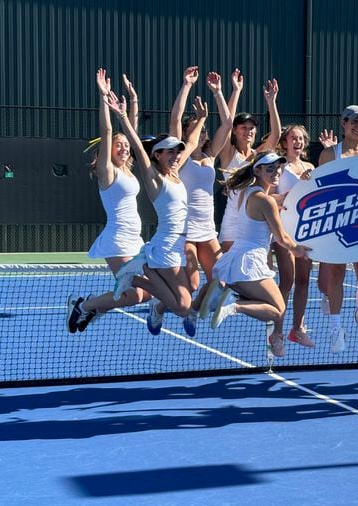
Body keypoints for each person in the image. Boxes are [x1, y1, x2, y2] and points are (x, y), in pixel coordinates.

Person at [106, 85, 207, 335]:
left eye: (177, 151)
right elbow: (138, 149)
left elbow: (192, 141)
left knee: (190, 291)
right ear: (157, 155)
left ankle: (141, 270)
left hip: (178, 246)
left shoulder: (175, 172)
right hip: (165, 247)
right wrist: (122, 115)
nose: (175, 155)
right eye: (170, 152)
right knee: (184, 306)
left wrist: (202, 118)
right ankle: (140, 274)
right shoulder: (155, 179)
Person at [66, 68, 149, 333]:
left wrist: (133, 101)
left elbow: (130, 131)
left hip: (135, 240)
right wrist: (103, 97)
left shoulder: (127, 169)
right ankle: (84, 306)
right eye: (118, 145)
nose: (124, 148)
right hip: (117, 241)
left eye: (126, 146)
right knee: (133, 297)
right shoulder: (108, 172)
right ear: (108, 150)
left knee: (148, 292)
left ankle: (92, 306)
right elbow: (109, 128)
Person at [205, 152, 310, 347]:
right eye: (270, 169)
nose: (276, 172)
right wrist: (298, 250)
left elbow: (267, 203)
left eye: (278, 168)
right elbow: (282, 238)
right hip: (251, 262)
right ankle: (233, 306)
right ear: (258, 171)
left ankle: (224, 291)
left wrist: (281, 199)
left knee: (260, 299)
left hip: (237, 257)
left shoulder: (247, 191)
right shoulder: (266, 200)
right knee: (278, 310)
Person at [168, 67, 233, 336]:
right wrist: (186, 85)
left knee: (222, 277)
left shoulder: (210, 157)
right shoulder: (177, 157)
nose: (202, 133)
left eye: (204, 129)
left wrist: (218, 93)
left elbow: (227, 124)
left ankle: (193, 311)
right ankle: (159, 308)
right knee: (193, 282)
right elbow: (175, 117)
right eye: (196, 128)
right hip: (185, 231)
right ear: (186, 131)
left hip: (207, 230)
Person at [317, 105, 358, 354]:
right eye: (354, 122)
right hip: (337, 225)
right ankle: (336, 329)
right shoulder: (329, 154)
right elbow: (321, 189)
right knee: (336, 275)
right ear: (343, 124)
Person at [218, 77, 281, 252]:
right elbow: (226, 123)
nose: (249, 131)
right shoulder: (228, 153)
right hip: (233, 221)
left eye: (252, 128)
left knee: (262, 267)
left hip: (254, 219)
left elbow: (276, 135)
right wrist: (236, 91)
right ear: (235, 131)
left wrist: (271, 102)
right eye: (244, 127)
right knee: (229, 274)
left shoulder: (258, 155)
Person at [275, 125, 316, 351]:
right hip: (284, 233)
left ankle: (297, 329)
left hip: (307, 232)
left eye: (301, 138)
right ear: (285, 142)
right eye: (293, 138)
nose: (298, 142)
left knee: (303, 281)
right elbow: (271, 197)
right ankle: (277, 333)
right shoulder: (279, 167)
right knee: (287, 281)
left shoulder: (310, 167)